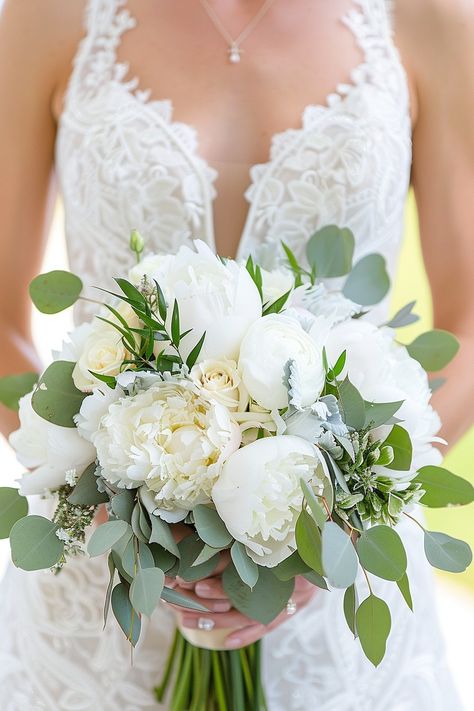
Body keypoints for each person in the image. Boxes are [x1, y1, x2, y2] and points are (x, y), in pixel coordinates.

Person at [0, 0, 473, 709]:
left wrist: (332, 531)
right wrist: (103, 504)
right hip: (100, 608)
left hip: (337, 605)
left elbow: (467, 324)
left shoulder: (432, 18)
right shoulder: (45, 15)